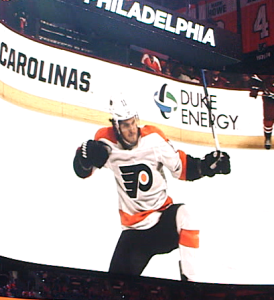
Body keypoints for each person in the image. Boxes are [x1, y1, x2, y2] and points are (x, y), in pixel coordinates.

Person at [72, 96, 231, 281]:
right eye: (125, 125)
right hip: (134, 234)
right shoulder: (105, 142)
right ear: (116, 126)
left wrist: (208, 166)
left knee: (187, 214)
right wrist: (84, 157)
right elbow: (82, 172)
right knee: (115, 286)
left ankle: (191, 283)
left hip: (163, 224)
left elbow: (181, 168)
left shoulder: (154, 139)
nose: (132, 130)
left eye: (133, 123)